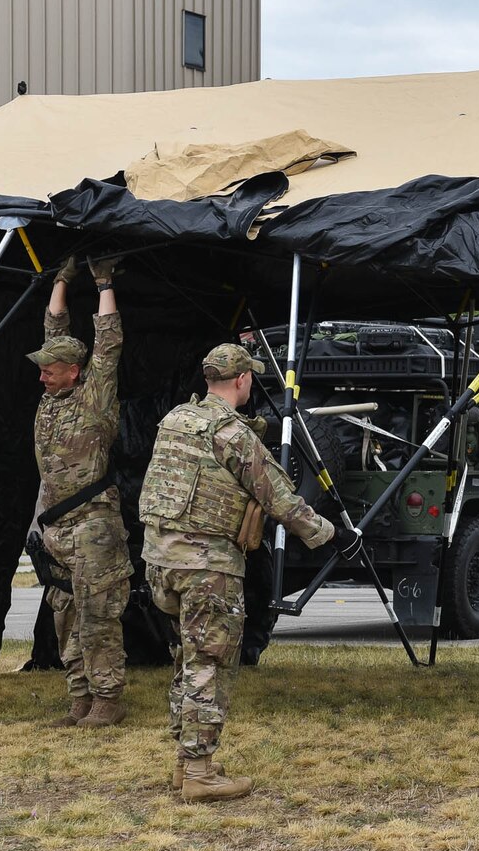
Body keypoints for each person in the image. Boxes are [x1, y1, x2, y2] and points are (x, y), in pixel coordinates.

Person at [140, 343, 338, 801]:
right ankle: (200, 774)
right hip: (206, 567)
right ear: (243, 380)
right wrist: (331, 535)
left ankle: (185, 763)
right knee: (209, 662)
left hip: (161, 562)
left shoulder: (175, 419)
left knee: (187, 660)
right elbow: (280, 499)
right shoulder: (232, 433)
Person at [28, 256, 129, 728]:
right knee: (64, 610)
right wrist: (62, 280)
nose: (42, 375)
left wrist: (103, 282)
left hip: (93, 524)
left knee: (99, 613)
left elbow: (108, 342)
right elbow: (55, 329)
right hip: (57, 527)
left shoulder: (95, 394)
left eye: (51, 369)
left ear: (74, 371)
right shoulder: (50, 398)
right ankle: (80, 697)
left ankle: (108, 699)